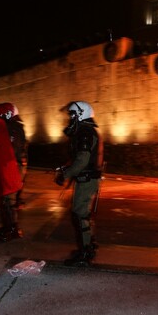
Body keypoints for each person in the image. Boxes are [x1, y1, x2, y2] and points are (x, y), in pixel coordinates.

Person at [55, 101, 104, 267]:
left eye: (72, 114)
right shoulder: (86, 131)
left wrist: (66, 174)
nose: (70, 118)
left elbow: (82, 160)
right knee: (83, 214)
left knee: (80, 215)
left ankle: (85, 253)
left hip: (87, 179)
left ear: (80, 114)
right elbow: (81, 158)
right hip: (87, 179)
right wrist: (67, 167)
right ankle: (88, 245)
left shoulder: (84, 132)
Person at [0, 102, 28, 210]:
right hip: (11, 160)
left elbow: (16, 145)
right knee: (8, 184)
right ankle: (11, 203)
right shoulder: (6, 126)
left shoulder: (14, 128)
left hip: (13, 160)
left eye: (0, 114)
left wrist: (17, 159)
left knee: (11, 183)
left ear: (8, 114)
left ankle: (13, 205)